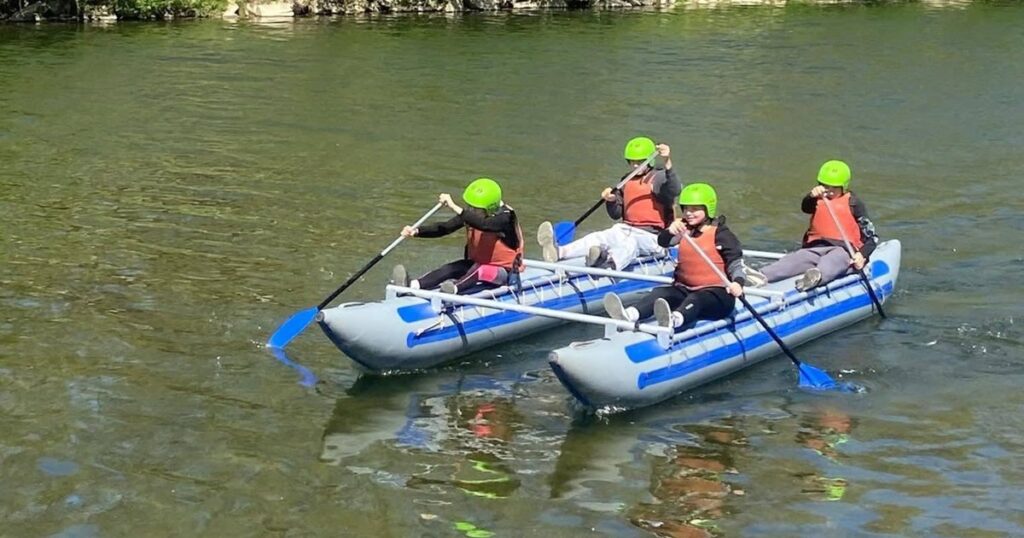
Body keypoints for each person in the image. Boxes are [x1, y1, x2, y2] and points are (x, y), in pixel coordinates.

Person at [603, 183, 749, 330]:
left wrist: (737, 283)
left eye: (695, 209)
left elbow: (736, 263)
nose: (689, 213)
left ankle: (674, 320)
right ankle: (630, 314)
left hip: (718, 296)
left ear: (708, 209)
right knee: (660, 293)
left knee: (696, 299)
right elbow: (663, 242)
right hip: (685, 289)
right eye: (685, 209)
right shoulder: (683, 228)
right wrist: (670, 231)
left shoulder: (722, 234)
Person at [536, 136, 680, 269]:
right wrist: (611, 201)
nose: (635, 166)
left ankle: (608, 263)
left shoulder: (659, 178)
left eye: (640, 162)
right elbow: (616, 214)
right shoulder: (626, 180)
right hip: (626, 229)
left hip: (654, 238)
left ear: (650, 160)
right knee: (598, 236)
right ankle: (559, 252)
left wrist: (667, 161)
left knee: (631, 244)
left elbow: (675, 189)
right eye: (632, 162)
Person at [748, 160, 879, 291]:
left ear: (843, 187)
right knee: (797, 259)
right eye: (825, 186)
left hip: (844, 250)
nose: (829, 191)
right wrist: (811, 195)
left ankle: (817, 276)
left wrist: (862, 255)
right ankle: (760, 276)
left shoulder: (854, 204)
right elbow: (805, 207)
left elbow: (872, 237)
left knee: (833, 260)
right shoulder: (817, 199)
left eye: (834, 188)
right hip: (816, 247)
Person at [391, 177, 524, 295]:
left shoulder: (506, 218)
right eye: (470, 207)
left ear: (489, 208)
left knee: (481, 270)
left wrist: (453, 206)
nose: (471, 210)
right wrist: (417, 231)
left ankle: (453, 290)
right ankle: (412, 285)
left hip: (504, 273)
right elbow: (445, 228)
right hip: (476, 264)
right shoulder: (474, 215)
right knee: (451, 268)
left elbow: (484, 225)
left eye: (475, 208)